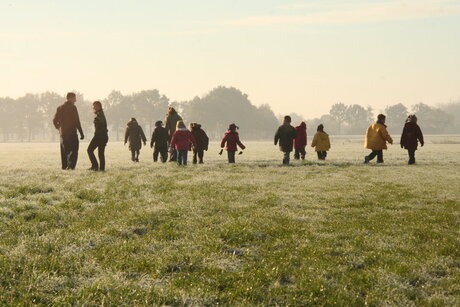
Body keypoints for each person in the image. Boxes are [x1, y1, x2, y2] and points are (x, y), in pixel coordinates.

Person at [53, 92, 84, 170]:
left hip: (63, 133)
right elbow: (77, 121)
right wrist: (81, 133)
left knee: (64, 151)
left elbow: (54, 120)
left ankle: (64, 166)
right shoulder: (73, 107)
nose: (75, 100)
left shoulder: (59, 108)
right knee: (74, 150)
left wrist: (59, 128)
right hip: (72, 133)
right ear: (70, 98)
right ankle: (70, 166)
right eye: (74, 98)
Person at [87, 101, 108, 171]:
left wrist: (96, 120)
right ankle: (101, 168)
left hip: (99, 136)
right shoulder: (100, 114)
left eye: (94, 106)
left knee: (90, 150)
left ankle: (95, 166)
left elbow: (101, 123)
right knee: (100, 153)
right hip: (103, 136)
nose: (93, 107)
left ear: (98, 106)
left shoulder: (100, 115)